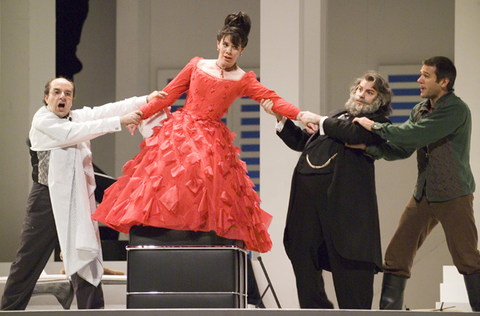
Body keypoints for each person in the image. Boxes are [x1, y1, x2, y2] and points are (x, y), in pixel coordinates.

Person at [92, 12, 304, 253]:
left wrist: (302, 116)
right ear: (218, 43)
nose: (228, 51)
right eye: (225, 44)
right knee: (166, 181)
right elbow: (168, 95)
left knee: (210, 184)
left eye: (235, 47)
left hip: (213, 138)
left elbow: (273, 98)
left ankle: (200, 250)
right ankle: (167, 244)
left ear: (242, 50)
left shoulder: (242, 79)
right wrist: (140, 114)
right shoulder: (197, 65)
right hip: (181, 132)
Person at [1, 77, 166, 310]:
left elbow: (103, 111)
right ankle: (9, 310)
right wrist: (120, 121)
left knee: (85, 256)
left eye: (68, 94)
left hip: (74, 197)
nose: (62, 97)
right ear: (47, 97)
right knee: (29, 259)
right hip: (46, 199)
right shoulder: (43, 121)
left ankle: (92, 311)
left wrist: (143, 101)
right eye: (57, 92)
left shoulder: (74, 117)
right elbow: (77, 132)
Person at [351, 56, 480, 311]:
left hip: (454, 195)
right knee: (397, 255)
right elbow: (403, 147)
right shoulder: (420, 109)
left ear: (444, 82)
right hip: (423, 194)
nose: (419, 79)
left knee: (467, 258)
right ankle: (389, 311)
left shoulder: (456, 109)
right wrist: (370, 149)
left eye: (426, 76)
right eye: (420, 73)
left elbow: (416, 133)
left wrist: (374, 126)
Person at [261, 71, 393, 309]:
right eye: (359, 89)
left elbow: (352, 133)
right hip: (307, 203)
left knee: (349, 264)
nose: (361, 95)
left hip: (342, 206)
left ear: (379, 100)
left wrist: (321, 121)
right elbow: (303, 142)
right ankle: (317, 310)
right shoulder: (336, 117)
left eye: (369, 92)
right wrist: (282, 119)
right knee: (301, 251)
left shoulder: (379, 123)